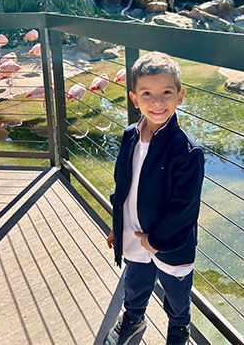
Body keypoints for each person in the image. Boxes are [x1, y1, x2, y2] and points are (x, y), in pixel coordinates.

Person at [104, 52, 204, 345]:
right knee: (135, 283)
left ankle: (178, 330)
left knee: (175, 292)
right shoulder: (129, 136)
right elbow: (121, 186)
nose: (157, 102)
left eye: (166, 93)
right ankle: (133, 319)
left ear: (180, 96)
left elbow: (185, 209)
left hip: (169, 242)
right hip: (134, 233)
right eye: (147, 94)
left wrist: (157, 241)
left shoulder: (187, 152)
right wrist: (118, 224)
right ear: (135, 100)